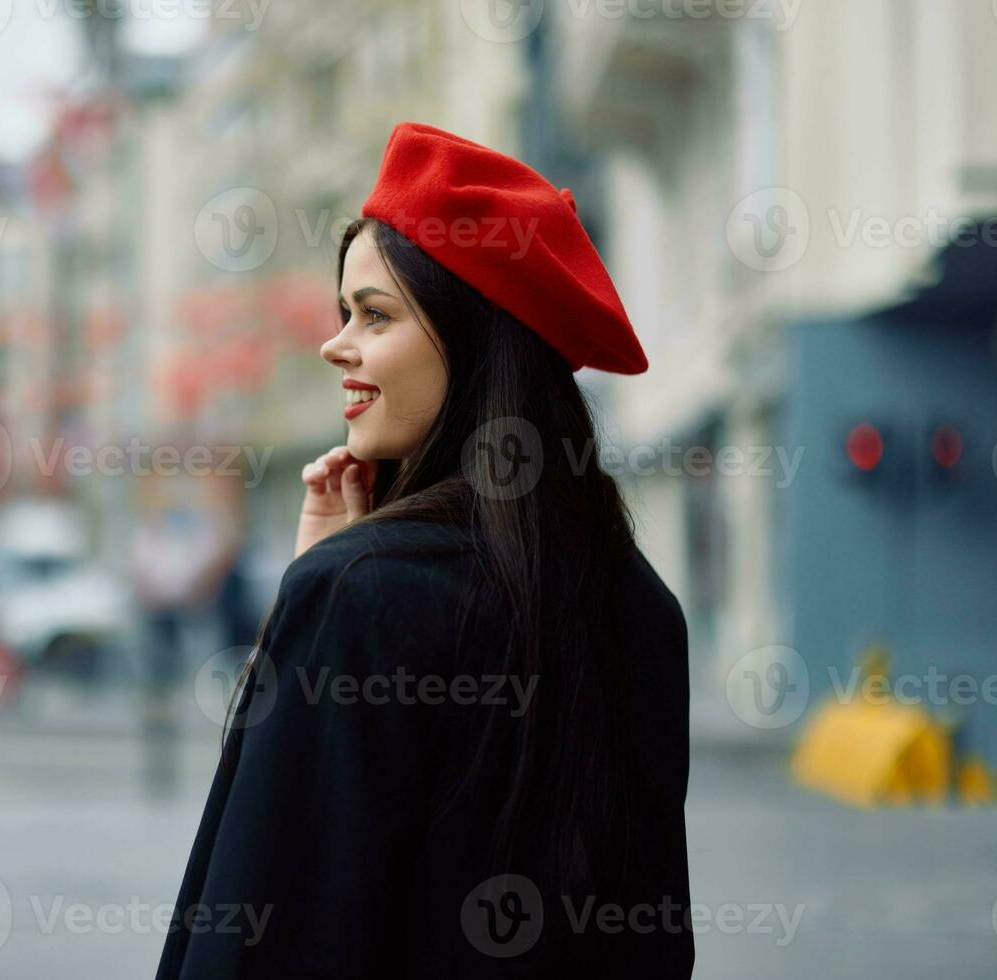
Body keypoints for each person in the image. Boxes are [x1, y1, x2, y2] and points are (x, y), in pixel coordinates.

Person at [155, 121, 694, 978]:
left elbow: (261, 922)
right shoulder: (641, 607)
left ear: (476, 341)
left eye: (374, 314)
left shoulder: (362, 595)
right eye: (344, 313)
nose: (336, 343)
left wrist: (314, 595)